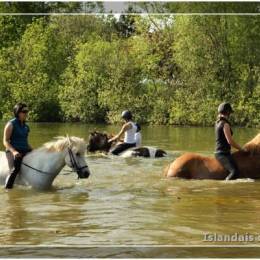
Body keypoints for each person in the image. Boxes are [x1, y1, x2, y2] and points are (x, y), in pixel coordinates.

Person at [3, 103, 32, 189]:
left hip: (25, 149)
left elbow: (25, 142)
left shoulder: (26, 127)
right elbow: (5, 141)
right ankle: (8, 189)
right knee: (15, 169)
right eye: (24, 111)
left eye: (27, 111)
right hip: (13, 151)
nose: (26, 113)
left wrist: (33, 150)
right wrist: (14, 151)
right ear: (18, 112)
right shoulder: (11, 124)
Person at [214, 102, 246, 181]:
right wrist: (241, 149)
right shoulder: (225, 124)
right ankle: (225, 185)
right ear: (227, 112)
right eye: (230, 112)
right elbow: (230, 141)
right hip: (223, 154)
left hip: (221, 152)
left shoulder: (217, 122)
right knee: (234, 172)